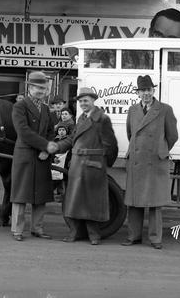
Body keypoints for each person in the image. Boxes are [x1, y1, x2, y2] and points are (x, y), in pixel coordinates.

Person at [55, 87, 118, 246]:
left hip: (93, 165)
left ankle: (94, 234)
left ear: (93, 100)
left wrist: (104, 164)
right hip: (77, 164)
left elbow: (111, 145)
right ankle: (75, 232)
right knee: (75, 201)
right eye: (81, 101)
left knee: (92, 202)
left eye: (86, 100)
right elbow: (72, 140)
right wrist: (57, 147)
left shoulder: (102, 119)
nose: (83, 103)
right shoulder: (81, 119)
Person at [122, 75, 178, 249]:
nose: (146, 93)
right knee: (134, 201)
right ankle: (134, 236)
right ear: (138, 93)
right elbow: (130, 134)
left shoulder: (165, 109)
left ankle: (155, 239)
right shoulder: (132, 110)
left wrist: (161, 150)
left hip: (155, 161)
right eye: (142, 90)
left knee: (154, 203)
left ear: (153, 91)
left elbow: (172, 136)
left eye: (149, 90)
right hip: (137, 160)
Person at [10, 71, 58, 241]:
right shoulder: (20, 106)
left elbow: (51, 131)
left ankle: (37, 228)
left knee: (41, 195)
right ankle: (17, 230)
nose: (40, 91)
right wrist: (45, 146)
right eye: (37, 87)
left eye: (43, 88)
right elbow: (23, 132)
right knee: (21, 195)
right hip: (25, 156)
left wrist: (48, 150)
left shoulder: (46, 109)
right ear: (29, 87)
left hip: (42, 157)